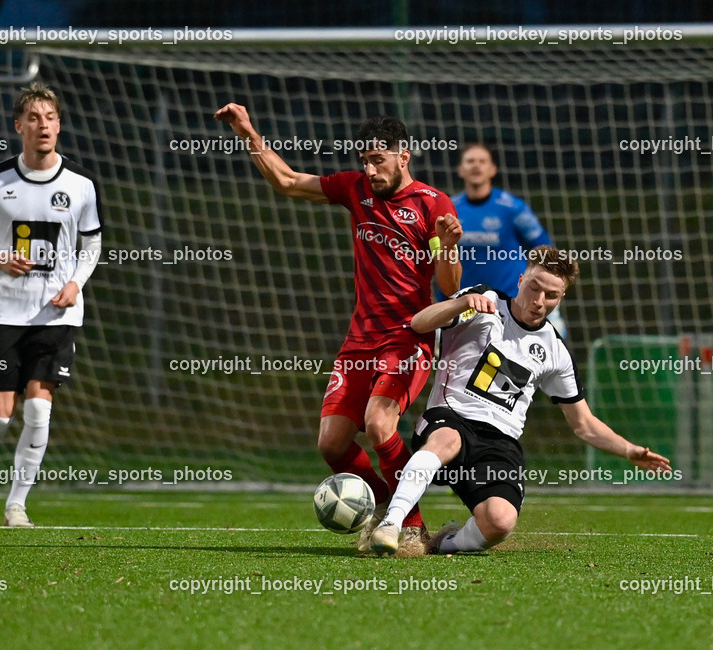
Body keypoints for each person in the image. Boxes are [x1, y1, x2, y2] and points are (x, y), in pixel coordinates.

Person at [215, 104, 463, 555]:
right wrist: (247, 131)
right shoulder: (355, 189)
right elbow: (288, 181)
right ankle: (386, 504)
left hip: (408, 337)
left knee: (378, 422)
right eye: (364, 160)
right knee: (331, 444)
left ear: (403, 157)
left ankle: (411, 526)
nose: (369, 169)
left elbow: (449, 287)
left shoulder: (432, 204)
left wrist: (447, 248)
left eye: (378, 160)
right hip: (359, 340)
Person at [365, 245, 670, 555]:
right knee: (446, 441)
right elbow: (419, 323)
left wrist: (629, 450)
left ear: (560, 298)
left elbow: (583, 424)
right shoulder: (485, 301)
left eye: (550, 295)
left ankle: (443, 544)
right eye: (534, 288)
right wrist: (459, 304)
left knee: (499, 522)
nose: (538, 301)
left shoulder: (555, 351)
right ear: (521, 279)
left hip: (500, 441)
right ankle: (392, 524)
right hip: (452, 416)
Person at [0, 83, 102, 527]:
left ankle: (16, 504)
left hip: (56, 313)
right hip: (4, 311)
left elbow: (91, 243)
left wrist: (76, 284)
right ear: (19, 126)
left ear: (59, 125)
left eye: (50, 118)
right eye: (34, 118)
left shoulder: (80, 185)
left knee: (39, 408)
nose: (43, 126)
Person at [452, 143, 566, 336]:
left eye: (482, 161)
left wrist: (544, 290)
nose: (476, 166)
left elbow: (544, 248)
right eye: (470, 161)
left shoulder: (513, 207)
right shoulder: (450, 209)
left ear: (492, 169)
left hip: (511, 302)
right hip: (468, 303)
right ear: (460, 169)